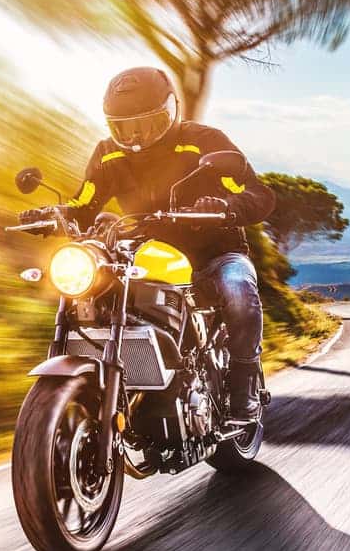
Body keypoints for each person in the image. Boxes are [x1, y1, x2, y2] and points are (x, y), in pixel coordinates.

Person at [23, 66, 275, 421]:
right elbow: (85, 204)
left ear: (170, 111)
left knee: (237, 289)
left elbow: (258, 194)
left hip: (214, 254)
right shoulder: (108, 154)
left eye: (148, 123)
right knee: (95, 294)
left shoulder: (204, 140)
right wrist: (51, 213)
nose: (137, 135)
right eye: (125, 126)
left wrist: (225, 207)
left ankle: (242, 386)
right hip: (146, 257)